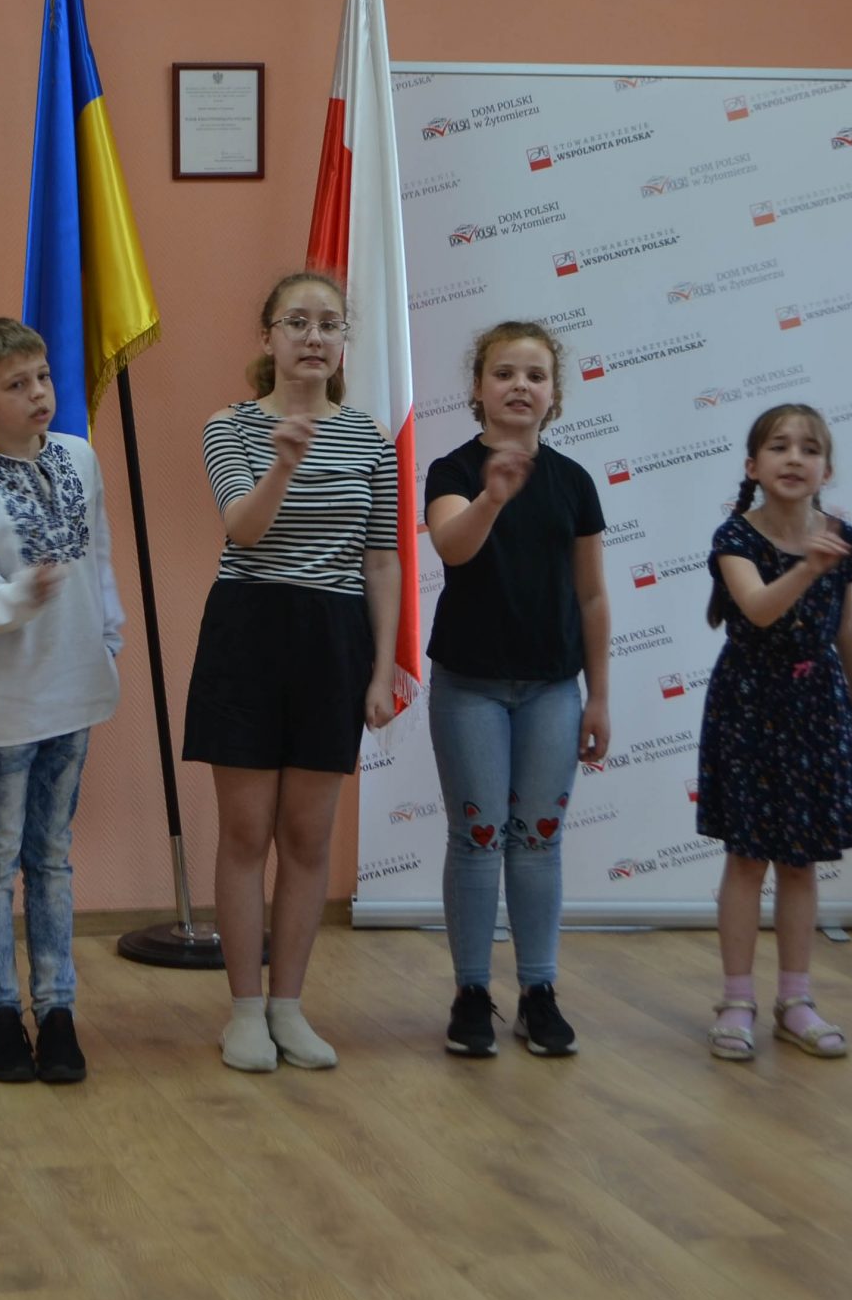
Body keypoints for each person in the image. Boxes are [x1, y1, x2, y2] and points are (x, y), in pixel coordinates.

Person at [183, 272, 399, 1073]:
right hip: (248, 630)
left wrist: (381, 670)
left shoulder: (371, 438)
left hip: (333, 640)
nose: (314, 337)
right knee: (246, 833)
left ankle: (288, 1007)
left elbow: (382, 560)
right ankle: (244, 1011)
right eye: (297, 322)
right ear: (268, 337)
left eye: (329, 324)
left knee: (307, 837)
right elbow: (243, 529)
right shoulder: (231, 426)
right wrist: (282, 464)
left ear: (343, 342)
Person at [0, 318, 124, 1084]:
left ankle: (57, 1010)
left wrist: (107, 634)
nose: (39, 394)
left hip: (73, 690)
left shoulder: (80, 458)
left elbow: (100, 558)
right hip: (4, 706)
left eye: (42, 377)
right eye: (16, 385)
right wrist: (28, 591)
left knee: (51, 857)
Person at [421, 318, 611, 1060]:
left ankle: (538, 992)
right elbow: (453, 546)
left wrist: (599, 696)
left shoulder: (574, 483)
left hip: (552, 691)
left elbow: (591, 596)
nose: (520, 386)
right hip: (469, 686)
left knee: (538, 841)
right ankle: (472, 991)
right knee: (477, 839)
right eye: (504, 373)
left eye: (535, 374)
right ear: (478, 388)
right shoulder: (452, 471)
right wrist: (493, 496)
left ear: (554, 393)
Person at [695, 405, 852, 1062]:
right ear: (753, 465)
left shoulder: (841, 540)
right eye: (779, 447)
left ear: (827, 469)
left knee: (800, 861)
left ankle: (795, 1000)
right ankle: (736, 1000)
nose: (794, 458)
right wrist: (807, 567)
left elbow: (846, 624)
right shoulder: (735, 537)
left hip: (815, 707)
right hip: (748, 706)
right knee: (747, 858)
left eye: (809, 449)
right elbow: (759, 609)